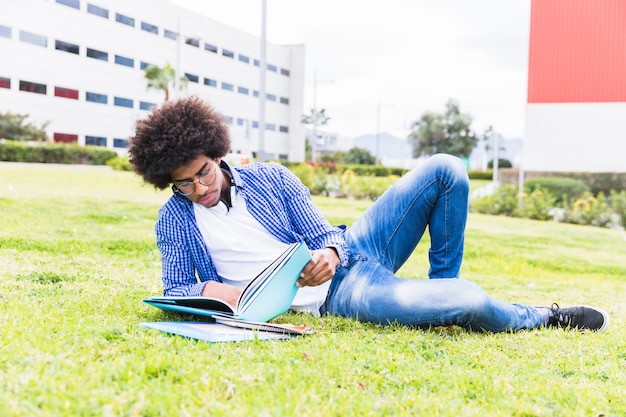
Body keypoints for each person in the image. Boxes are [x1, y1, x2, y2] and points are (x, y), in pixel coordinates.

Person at [129, 96, 609, 333]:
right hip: (339, 295)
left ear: (217, 153)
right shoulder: (175, 219)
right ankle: (542, 316)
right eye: (184, 183)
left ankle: (439, 291)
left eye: (204, 173)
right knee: (470, 300)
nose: (199, 189)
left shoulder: (271, 178)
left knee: (446, 169)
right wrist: (217, 291)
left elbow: (324, 233)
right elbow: (176, 290)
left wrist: (330, 253)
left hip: (353, 256)